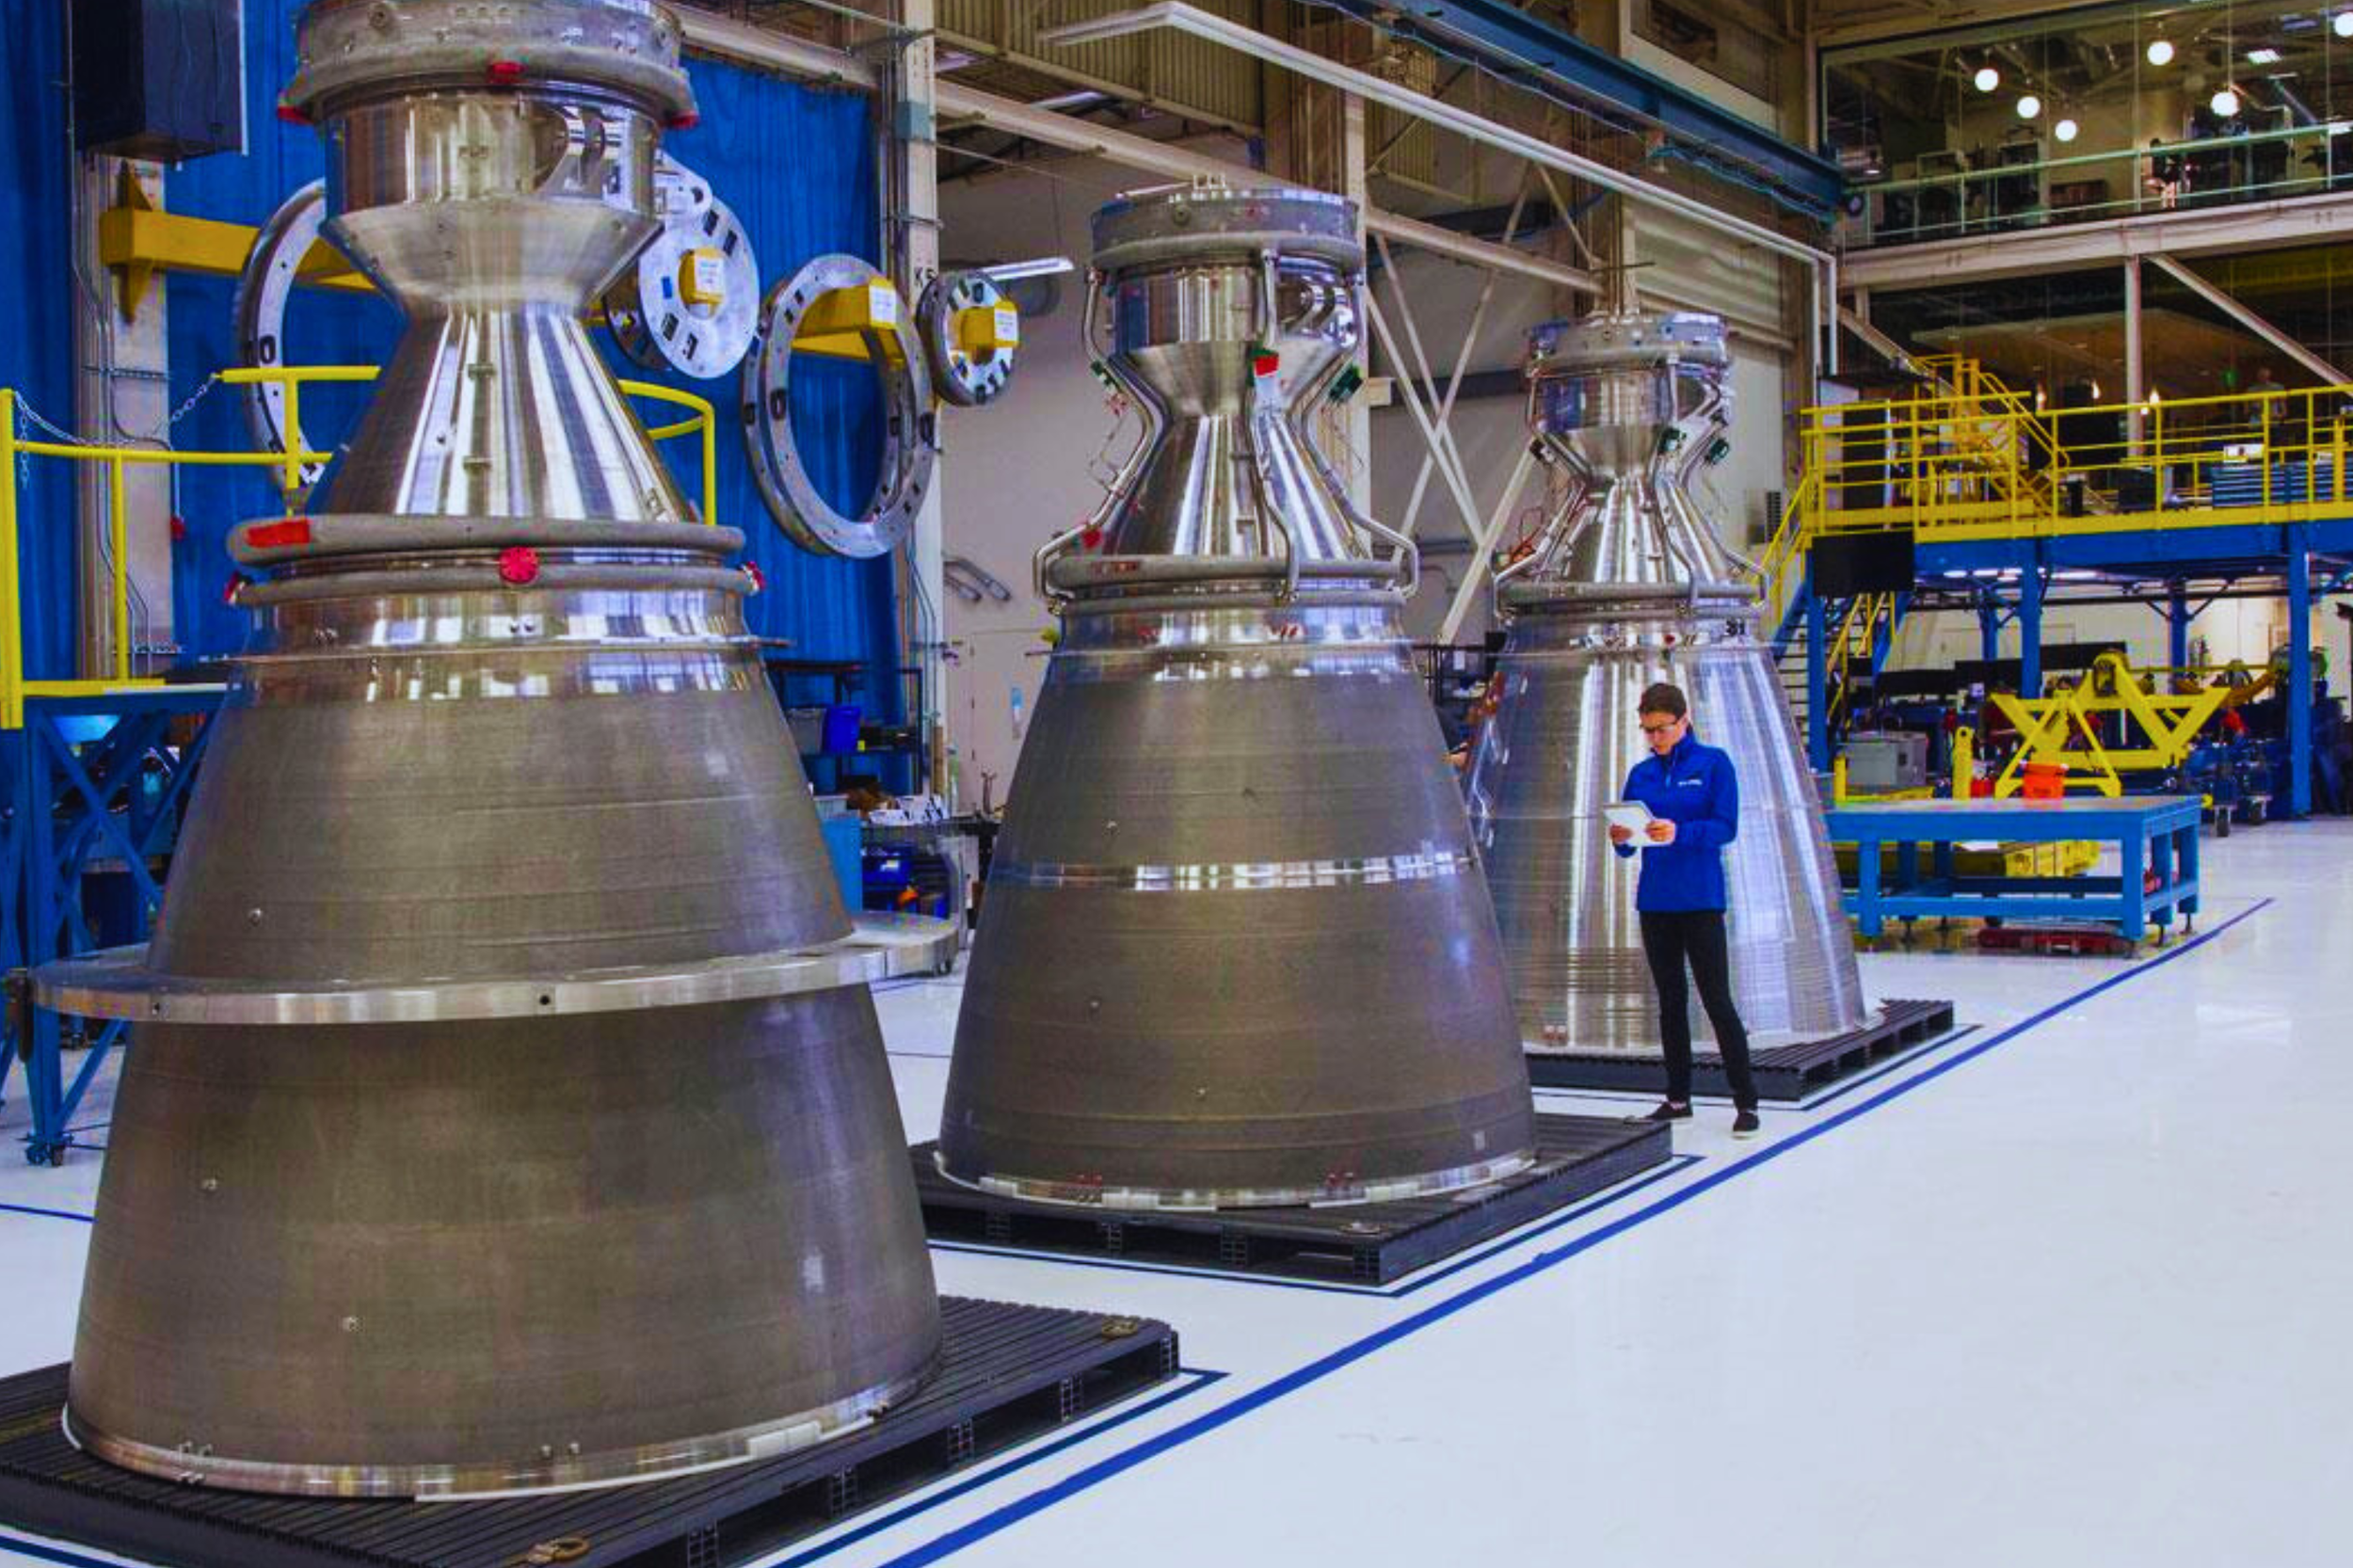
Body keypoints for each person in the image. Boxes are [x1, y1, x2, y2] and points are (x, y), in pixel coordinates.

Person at [1607, 681, 1761, 1138]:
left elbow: (1725, 827)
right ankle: (1677, 1098)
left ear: (1683, 720)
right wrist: (1621, 840)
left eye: (1661, 729)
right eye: (1647, 730)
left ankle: (1746, 1101)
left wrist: (1681, 832)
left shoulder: (1713, 764)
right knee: (1670, 1002)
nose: (1655, 738)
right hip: (1656, 902)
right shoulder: (1641, 774)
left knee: (1717, 1000)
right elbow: (1628, 846)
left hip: (1700, 901)